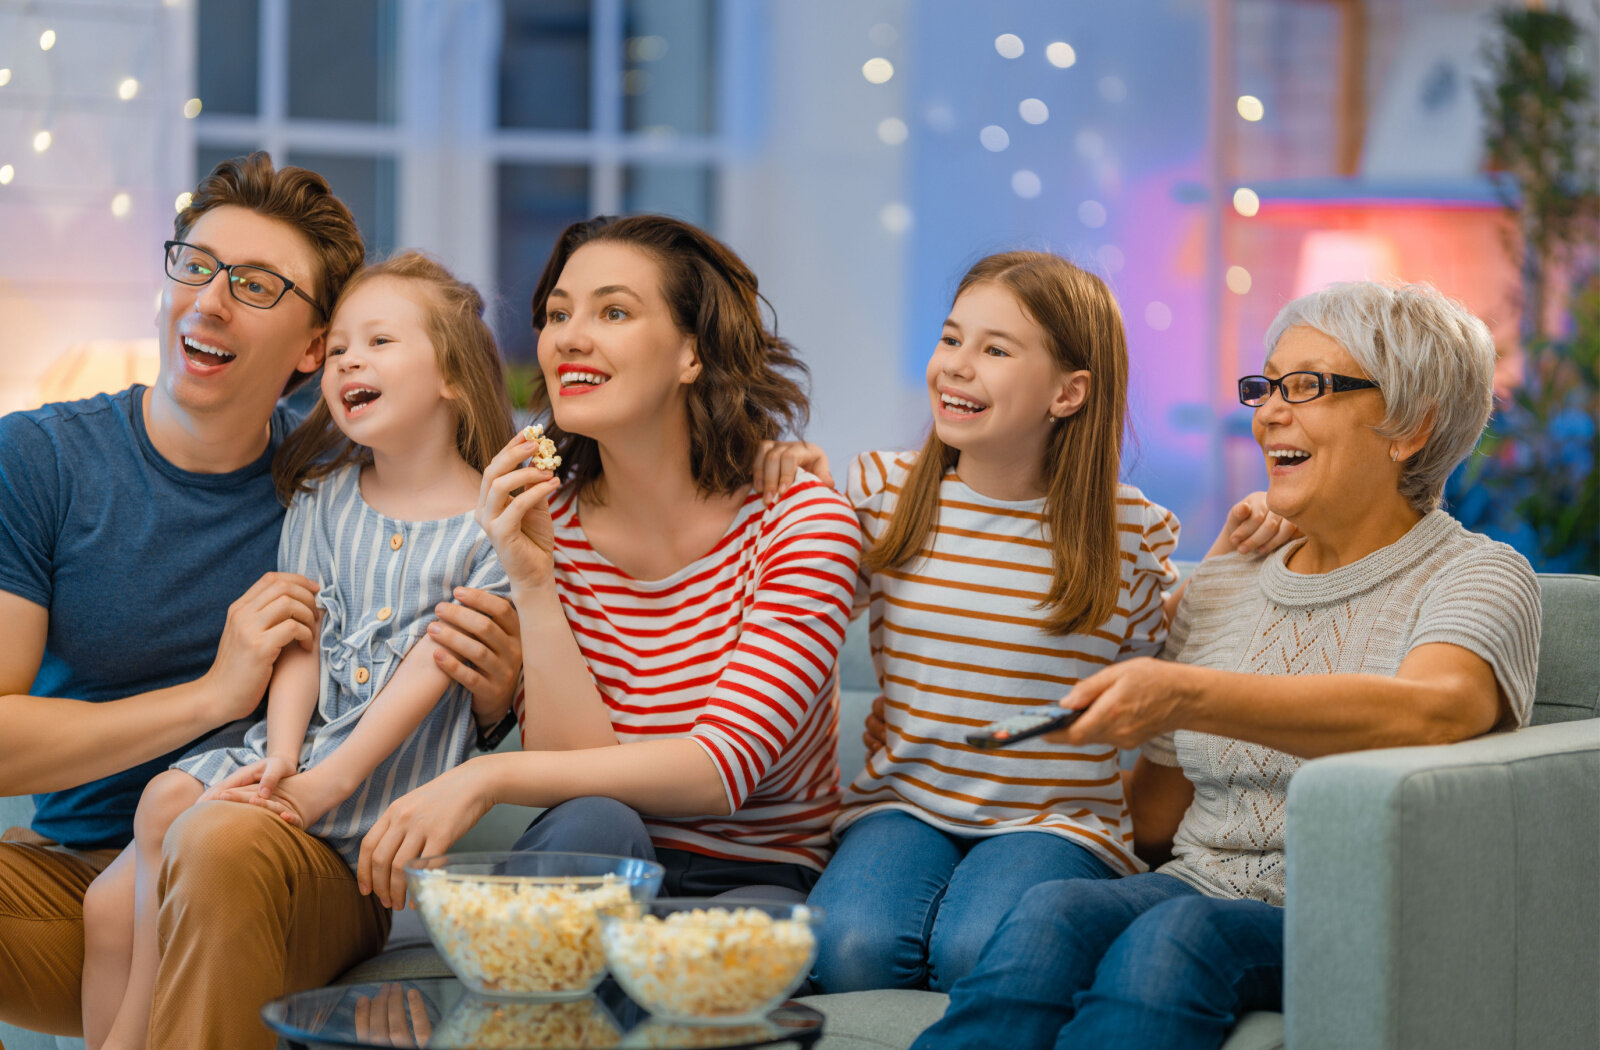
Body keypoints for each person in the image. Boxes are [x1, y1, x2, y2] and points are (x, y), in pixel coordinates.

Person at [910, 281, 1542, 1050]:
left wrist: (1186, 694)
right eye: (1266, 386)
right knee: (1053, 910)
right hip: (1190, 885)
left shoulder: (1476, 574)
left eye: (1306, 386)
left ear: (1411, 426)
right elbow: (1154, 822)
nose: (1268, 412)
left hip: (1354, 911)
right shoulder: (1226, 580)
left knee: (1177, 937)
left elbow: (1437, 709)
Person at [0, 154, 521, 1050]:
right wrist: (214, 694)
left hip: (287, 858)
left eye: (255, 285)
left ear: (310, 347)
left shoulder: (341, 475)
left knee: (217, 848)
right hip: (86, 870)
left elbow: (484, 559)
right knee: (176, 851)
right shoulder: (39, 460)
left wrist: (496, 696)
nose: (210, 301)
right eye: (196, 266)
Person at [753, 252, 1295, 994]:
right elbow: (793, 608)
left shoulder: (1129, 530)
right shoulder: (880, 492)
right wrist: (794, 492)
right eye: (951, 339)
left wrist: (1232, 548)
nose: (957, 365)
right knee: (850, 950)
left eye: (996, 350)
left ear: (1068, 393)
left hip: (1056, 820)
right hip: (904, 803)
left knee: (980, 950)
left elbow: (1158, 661)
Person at [354, 215, 864, 909]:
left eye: (614, 311)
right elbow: (576, 784)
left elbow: (722, 769)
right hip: (592, 850)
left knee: (714, 942)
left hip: (752, 880)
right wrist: (533, 581)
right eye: (558, 314)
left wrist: (484, 779)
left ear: (692, 354)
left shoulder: (801, 524)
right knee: (597, 822)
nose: (568, 337)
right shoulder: (541, 522)